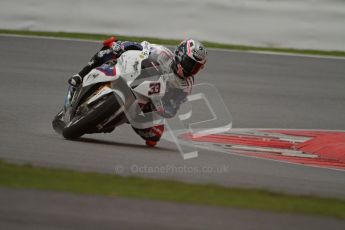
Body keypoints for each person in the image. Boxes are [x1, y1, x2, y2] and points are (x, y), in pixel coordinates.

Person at [68, 37, 207, 146]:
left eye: (196, 67)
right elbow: (141, 46)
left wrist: (160, 106)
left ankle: (118, 118)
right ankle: (80, 75)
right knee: (111, 46)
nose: (191, 69)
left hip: (149, 102)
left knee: (155, 137)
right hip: (133, 74)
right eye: (190, 64)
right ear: (180, 54)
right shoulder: (162, 53)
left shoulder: (186, 85)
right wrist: (122, 46)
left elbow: (172, 109)